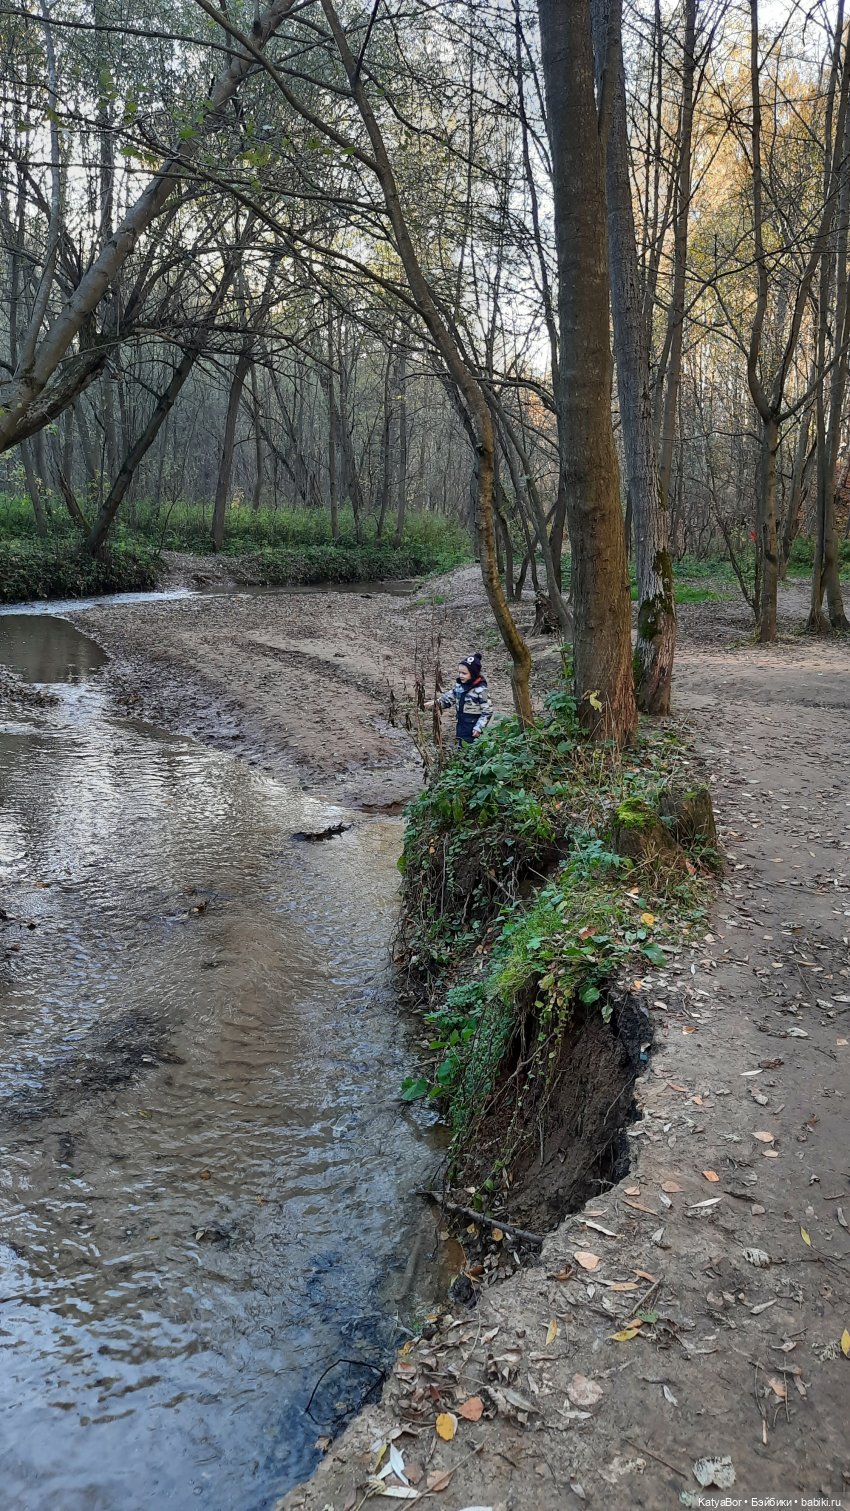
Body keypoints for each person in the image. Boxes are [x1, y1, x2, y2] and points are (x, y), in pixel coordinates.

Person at [434, 652, 493, 746]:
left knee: (473, 746)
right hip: (462, 722)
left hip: (474, 725)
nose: (461, 675)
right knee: (462, 741)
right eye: (459, 673)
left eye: (464, 673)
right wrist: (436, 704)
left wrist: (479, 727)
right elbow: (449, 698)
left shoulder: (482, 690)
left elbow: (488, 711)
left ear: (473, 674)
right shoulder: (459, 687)